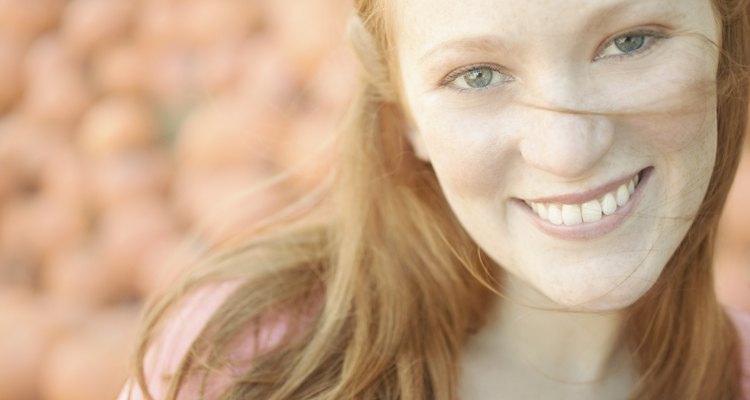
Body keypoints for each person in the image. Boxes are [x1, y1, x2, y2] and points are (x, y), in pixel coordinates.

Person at [119, 0, 750, 398]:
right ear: (406, 114)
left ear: (725, 37)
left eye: (632, 40)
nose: (567, 150)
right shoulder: (241, 357)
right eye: (475, 75)